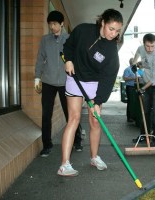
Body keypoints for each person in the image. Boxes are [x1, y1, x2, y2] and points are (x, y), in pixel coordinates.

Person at [57, 8, 123, 176]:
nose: (114, 34)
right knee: (74, 118)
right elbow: (68, 46)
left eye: (117, 31)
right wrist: (68, 60)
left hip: (95, 84)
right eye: (111, 29)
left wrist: (98, 102)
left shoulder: (111, 52)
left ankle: (94, 157)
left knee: (95, 121)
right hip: (75, 78)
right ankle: (64, 164)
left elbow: (108, 80)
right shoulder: (83, 30)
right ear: (103, 22)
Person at [34, 10, 84, 158]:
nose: (52, 27)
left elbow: (76, 60)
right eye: (50, 24)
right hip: (48, 82)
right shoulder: (45, 40)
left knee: (70, 113)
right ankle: (47, 145)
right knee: (46, 114)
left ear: (62, 24)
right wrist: (37, 77)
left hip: (65, 82)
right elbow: (39, 59)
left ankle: (77, 140)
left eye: (55, 24)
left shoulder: (69, 39)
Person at [131, 33, 155, 146]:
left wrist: (142, 89)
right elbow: (137, 55)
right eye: (147, 46)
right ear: (144, 44)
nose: (150, 49)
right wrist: (134, 63)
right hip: (147, 84)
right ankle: (144, 135)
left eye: (152, 46)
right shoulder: (141, 49)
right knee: (144, 111)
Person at [122, 58, 136, 122]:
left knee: (134, 102)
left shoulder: (136, 70)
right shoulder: (127, 69)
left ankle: (133, 116)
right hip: (130, 87)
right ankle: (129, 117)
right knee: (130, 102)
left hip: (135, 87)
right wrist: (133, 78)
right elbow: (125, 78)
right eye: (134, 61)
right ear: (131, 62)